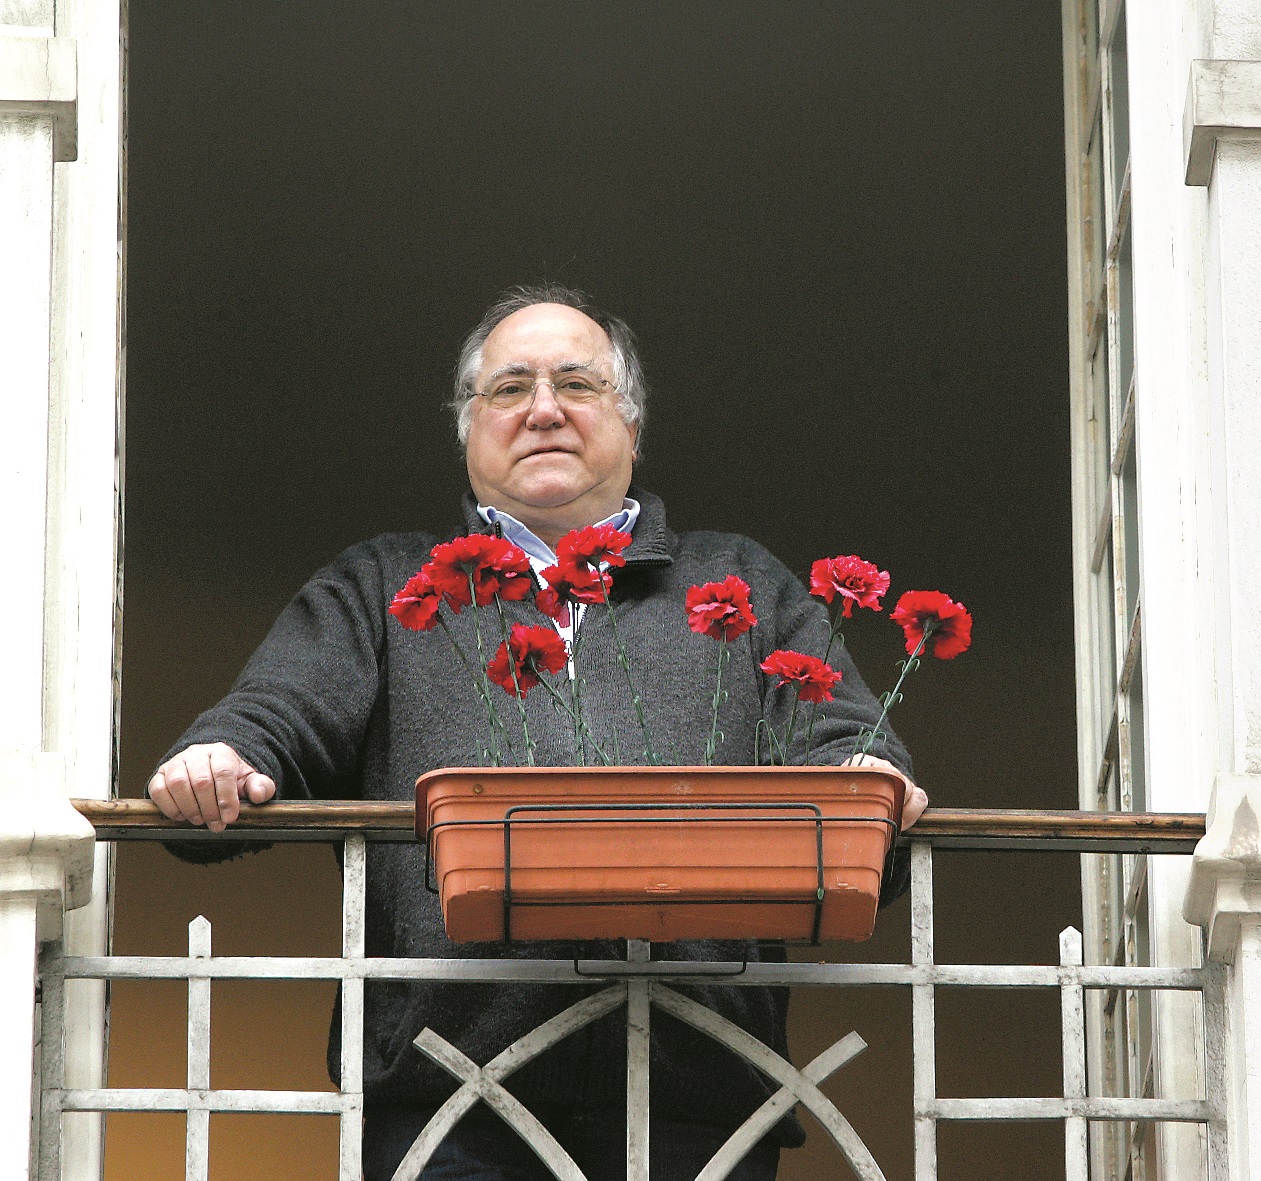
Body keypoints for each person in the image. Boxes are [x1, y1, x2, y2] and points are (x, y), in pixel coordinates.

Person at [148, 284, 927, 1181]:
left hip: (701, 1099)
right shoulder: (383, 585)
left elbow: (844, 743)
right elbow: (273, 715)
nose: (544, 409)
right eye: (509, 388)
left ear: (631, 426)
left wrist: (866, 774)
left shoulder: (740, 579)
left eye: (577, 385)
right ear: (468, 428)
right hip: (449, 1100)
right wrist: (223, 755)